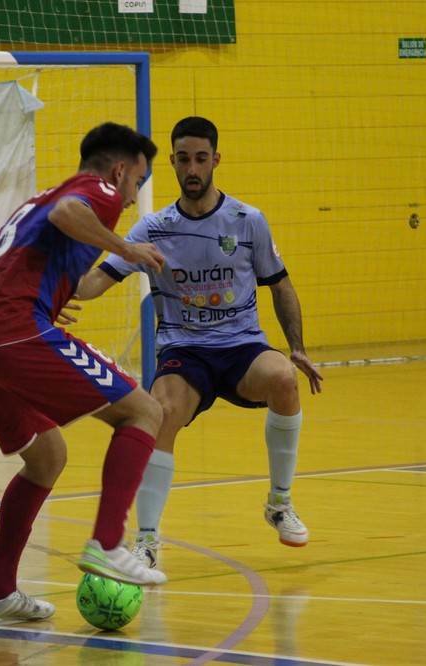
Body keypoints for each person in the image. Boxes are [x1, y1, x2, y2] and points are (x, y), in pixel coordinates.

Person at [75, 116, 324, 569]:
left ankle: (279, 503)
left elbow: (281, 284)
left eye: (201, 159)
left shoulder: (247, 221)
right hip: (184, 350)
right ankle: (147, 540)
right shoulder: (151, 228)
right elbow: (95, 282)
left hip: (242, 347)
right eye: (184, 159)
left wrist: (297, 346)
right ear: (170, 161)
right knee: (161, 412)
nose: (193, 168)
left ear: (216, 161)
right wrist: (52, 285)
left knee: (284, 380)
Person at [0, 122, 169, 623]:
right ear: (119, 170)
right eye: (138, 181)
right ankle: (108, 542)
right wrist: (129, 249)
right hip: (12, 332)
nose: (133, 197)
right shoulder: (96, 193)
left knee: (46, 456)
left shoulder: (33, 203)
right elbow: (73, 215)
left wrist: (39, 294)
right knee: (144, 411)